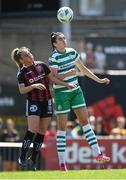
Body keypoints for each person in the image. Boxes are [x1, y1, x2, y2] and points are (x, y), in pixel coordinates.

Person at [48, 32, 110, 171]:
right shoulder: (53, 57)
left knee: (85, 123)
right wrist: (67, 81)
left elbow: (83, 69)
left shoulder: (71, 52)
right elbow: (52, 78)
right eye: (60, 39)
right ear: (55, 44)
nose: (64, 40)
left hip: (76, 91)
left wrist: (99, 80)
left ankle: (98, 154)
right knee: (62, 128)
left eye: (64, 38)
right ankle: (62, 164)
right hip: (61, 93)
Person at [11, 46, 76, 170]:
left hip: (47, 102)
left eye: (29, 52)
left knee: (41, 132)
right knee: (33, 129)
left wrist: (67, 83)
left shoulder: (42, 66)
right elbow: (22, 90)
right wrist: (34, 85)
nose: (30, 54)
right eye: (26, 55)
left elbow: (53, 79)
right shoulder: (22, 73)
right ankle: (22, 156)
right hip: (34, 102)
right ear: (22, 60)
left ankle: (33, 159)